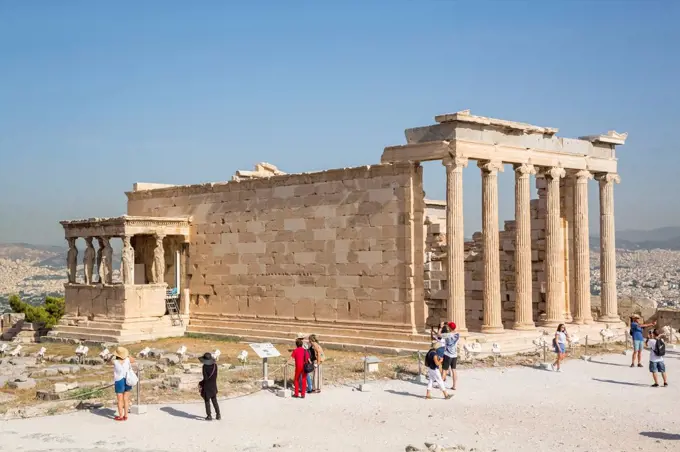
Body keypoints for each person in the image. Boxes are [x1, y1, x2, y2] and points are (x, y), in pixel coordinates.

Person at [112, 346, 135, 421]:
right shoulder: (128, 360)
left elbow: (107, 361)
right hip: (127, 380)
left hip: (119, 381)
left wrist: (111, 356)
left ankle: (120, 416)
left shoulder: (115, 362)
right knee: (126, 399)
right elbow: (133, 360)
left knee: (120, 400)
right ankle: (126, 415)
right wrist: (127, 355)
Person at [437, 321, 460, 390]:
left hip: (447, 354)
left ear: (449, 328)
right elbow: (454, 329)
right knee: (454, 370)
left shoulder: (448, 335)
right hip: (454, 355)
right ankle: (454, 386)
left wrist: (441, 327)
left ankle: (441, 385)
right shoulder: (457, 334)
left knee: (444, 370)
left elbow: (438, 335)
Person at [198, 352, 220, 420]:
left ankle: (209, 416)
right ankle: (218, 415)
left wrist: (200, 383)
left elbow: (205, 378)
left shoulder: (204, 366)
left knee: (207, 401)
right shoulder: (215, 366)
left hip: (207, 386)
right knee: (214, 400)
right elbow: (215, 376)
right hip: (213, 385)